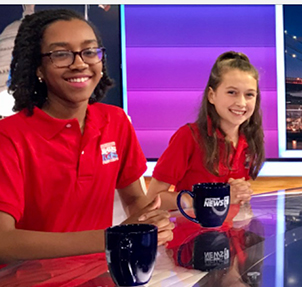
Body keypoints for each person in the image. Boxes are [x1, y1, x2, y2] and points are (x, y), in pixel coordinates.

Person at [0, 9, 173, 264]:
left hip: (99, 286)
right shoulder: (10, 137)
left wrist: (149, 221)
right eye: (61, 54)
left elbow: (135, 198)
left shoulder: (116, 122)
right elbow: (4, 242)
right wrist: (113, 237)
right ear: (38, 67)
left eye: (90, 51)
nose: (80, 63)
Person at [147, 51, 265, 210]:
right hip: (194, 233)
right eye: (232, 92)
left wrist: (241, 193)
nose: (241, 103)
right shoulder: (188, 137)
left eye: (249, 94)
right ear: (211, 95)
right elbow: (153, 199)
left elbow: (233, 199)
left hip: (233, 232)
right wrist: (215, 198)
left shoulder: (249, 139)